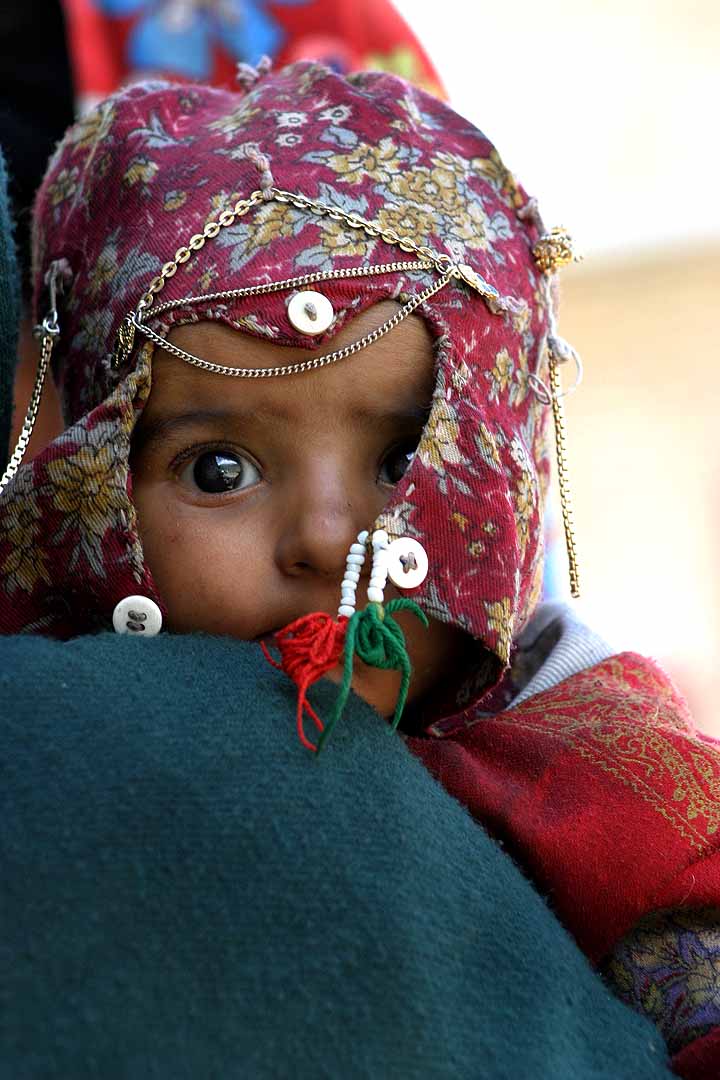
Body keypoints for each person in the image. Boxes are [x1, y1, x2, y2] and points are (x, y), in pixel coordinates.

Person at [0, 61, 717, 1076]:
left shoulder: (608, 785)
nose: (330, 541)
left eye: (399, 461)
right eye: (220, 468)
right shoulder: (44, 742)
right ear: (94, 494)